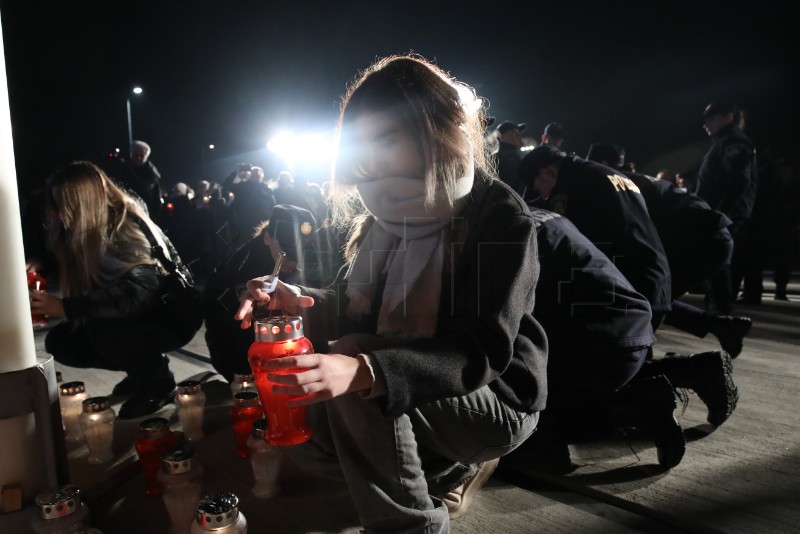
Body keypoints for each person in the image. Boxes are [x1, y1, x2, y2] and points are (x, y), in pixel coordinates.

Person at [235, 54, 547, 532]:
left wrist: (365, 370)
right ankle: (450, 468)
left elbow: (480, 351)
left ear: (434, 128)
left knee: (355, 367)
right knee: (316, 450)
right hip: (423, 389)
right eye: (362, 141)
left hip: (494, 401)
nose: (372, 156)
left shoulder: (500, 217)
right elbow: (361, 310)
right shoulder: (382, 213)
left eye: (387, 137)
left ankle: (414, 523)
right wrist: (298, 298)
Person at [31, 162, 200, 419]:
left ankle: (158, 382)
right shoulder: (92, 228)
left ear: (82, 201)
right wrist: (40, 262)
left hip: (174, 317)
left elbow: (140, 293)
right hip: (143, 316)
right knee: (62, 342)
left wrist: (65, 307)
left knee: (103, 330)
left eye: (60, 203)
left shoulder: (123, 228)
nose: (55, 213)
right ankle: (143, 369)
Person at [585, 142, 752, 358]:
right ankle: (722, 326)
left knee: (644, 297)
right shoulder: (630, 180)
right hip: (712, 236)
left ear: (601, 164)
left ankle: (638, 360)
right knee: (647, 294)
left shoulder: (613, 186)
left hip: (700, 240)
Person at [518, 145, 672, 330]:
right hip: (657, 277)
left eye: (538, 188)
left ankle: (707, 361)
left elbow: (573, 241)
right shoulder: (604, 173)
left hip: (629, 287)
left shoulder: (575, 184)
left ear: (548, 173)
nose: (543, 195)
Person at [203, 204, 319, 382]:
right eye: (287, 251)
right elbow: (225, 322)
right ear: (266, 238)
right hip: (235, 351)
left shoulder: (300, 259)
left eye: (301, 249)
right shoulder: (241, 267)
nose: (294, 260)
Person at [695, 101, 758, 310]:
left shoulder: (733, 142)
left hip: (723, 215)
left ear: (729, 117)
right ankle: (721, 316)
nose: (706, 125)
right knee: (716, 264)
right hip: (721, 214)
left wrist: (720, 214)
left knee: (717, 264)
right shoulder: (724, 141)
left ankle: (724, 318)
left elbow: (739, 181)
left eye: (711, 119)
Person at [107, 140, 165, 222]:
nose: (138, 158)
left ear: (146, 157)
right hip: (122, 211)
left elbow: (145, 190)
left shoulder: (151, 174)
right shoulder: (121, 167)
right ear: (131, 153)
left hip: (142, 214)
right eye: (135, 155)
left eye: (141, 156)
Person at [493, 120, 528, 198]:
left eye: (519, 134)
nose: (518, 137)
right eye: (514, 134)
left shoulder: (492, 157)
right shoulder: (515, 157)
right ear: (501, 136)